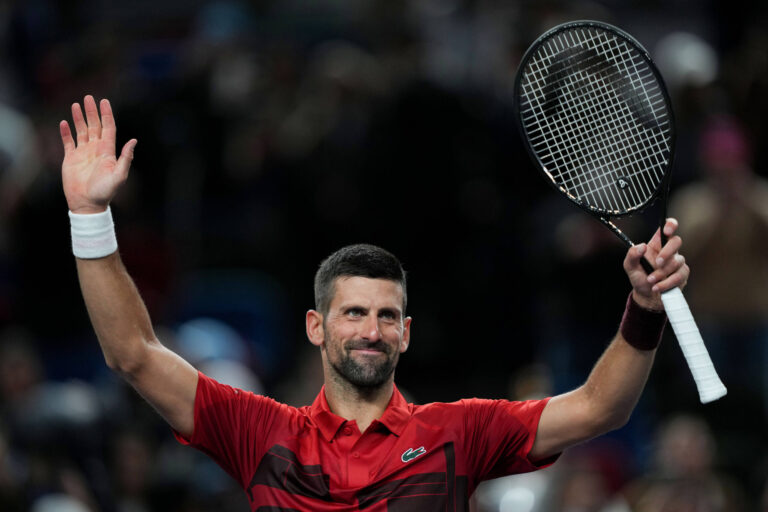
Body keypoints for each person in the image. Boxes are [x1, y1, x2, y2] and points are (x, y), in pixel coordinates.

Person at [59, 95, 689, 510]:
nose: (371, 329)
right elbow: (133, 355)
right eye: (354, 313)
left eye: (387, 316)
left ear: (406, 333)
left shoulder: (459, 432)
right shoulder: (260, 433)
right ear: (316, 326)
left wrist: (643, 306)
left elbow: (600, 408)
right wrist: (90, 216)